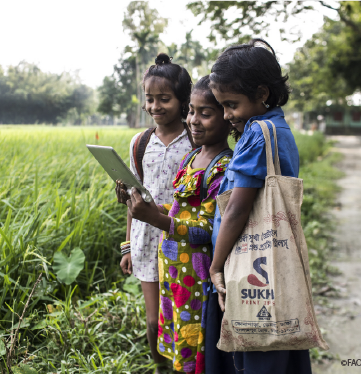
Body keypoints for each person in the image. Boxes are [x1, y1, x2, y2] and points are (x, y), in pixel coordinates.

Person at [206, 39, 312, 374]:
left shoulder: (258, 135)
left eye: (231, 104)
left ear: (262, 94)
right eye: (221, 105)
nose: (226, 115)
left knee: (254, 354)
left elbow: (236, 210)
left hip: (247, 270)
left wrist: (215, 265)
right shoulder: (278, 129)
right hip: (270, 267)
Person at [118, 75, 234, 373]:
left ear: (229, 117)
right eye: (192, 112)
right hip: (171, 269)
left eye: (204, 113)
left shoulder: (222, 167)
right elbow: (181, 208)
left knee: (195, 343)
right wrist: (155, 208)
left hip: (196, 276)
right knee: (170, 335)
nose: (194, 120)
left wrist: (157, 217)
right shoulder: (193, 157)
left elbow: (208, 229)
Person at [115, 53, 194, 373]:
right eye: (150, 99)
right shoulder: (140, 141)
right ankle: (160, 366)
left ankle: (186, 365)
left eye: (165, 99)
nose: (156, 106)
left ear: (182, 99)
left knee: (183, 312)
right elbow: (135, 197)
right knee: (153, 319)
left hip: (181, 237)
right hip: (145, 240)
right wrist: (127, 245)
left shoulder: (194, 140)